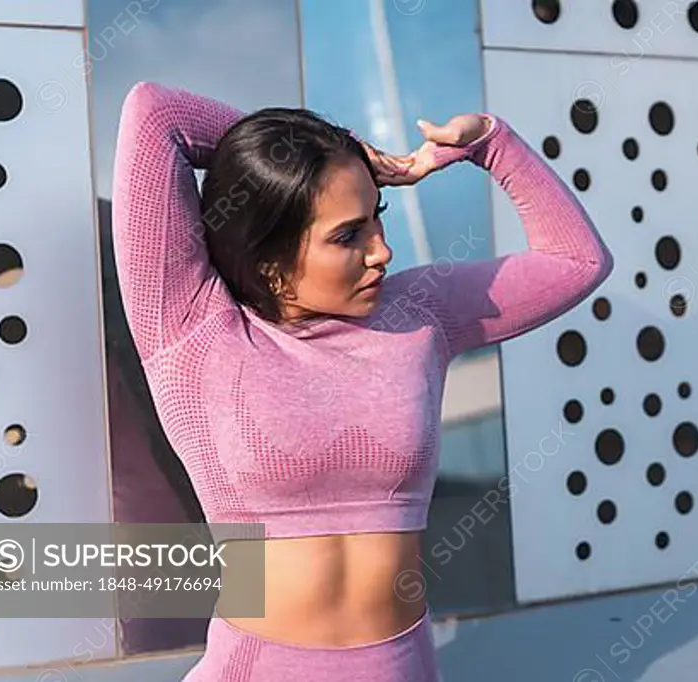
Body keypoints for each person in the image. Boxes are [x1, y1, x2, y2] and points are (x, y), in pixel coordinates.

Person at [111, 80, 613, 681]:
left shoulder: (419, 314)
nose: (383, 251)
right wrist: (337, 150)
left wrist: (492, 145)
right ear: (270, 261)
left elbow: (576, 262)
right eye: (348, 235)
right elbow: (154, 113)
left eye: (378, 218)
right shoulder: (192, 328)